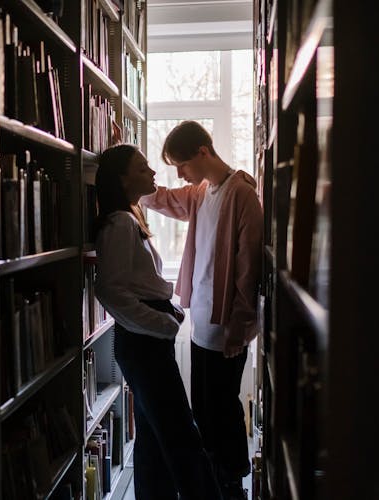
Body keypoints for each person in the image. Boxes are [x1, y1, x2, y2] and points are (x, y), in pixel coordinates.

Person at [140, 121, 263, 500]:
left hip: (227, 327)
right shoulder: (202, 191)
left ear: (203, 153)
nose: (179, 173)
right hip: (200, 325)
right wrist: (132, 186)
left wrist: (239, 329)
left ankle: (232, 484)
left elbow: (248, 268)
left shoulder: (241, 195)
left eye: (182, 164)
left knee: (224, 410)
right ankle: (213, 480)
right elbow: (164, 198)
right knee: (205, 409)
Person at [93, 144, 223, 500]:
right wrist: (164, 323)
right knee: (183, 435)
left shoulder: (131, 217)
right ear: (122, 179)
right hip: (143, 343)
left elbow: (136, 283)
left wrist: (169, 314)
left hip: (146, 341)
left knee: (153, 438)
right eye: (142, 168)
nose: (152, 173)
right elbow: (110, 290)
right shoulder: (120, 223)